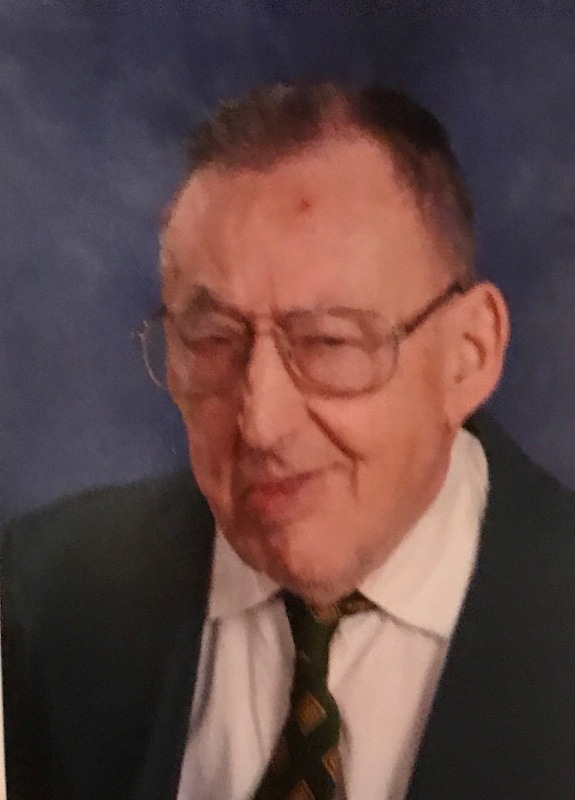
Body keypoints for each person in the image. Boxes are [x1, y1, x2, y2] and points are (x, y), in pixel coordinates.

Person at [3, 81, 575, 800]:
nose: (261, 423)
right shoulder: (42, 598)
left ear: (469, 354)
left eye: (330, 342)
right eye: (212, 340)